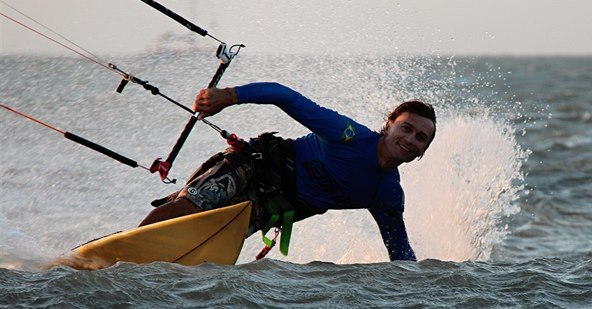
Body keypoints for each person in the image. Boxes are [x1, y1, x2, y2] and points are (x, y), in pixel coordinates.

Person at [139, 82, 436, 261]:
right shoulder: (348, 135)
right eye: (406, 128)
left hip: (273, 207)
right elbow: (286, 97)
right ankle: (129, 251)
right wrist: (229, 96)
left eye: (420, 138)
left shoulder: (387, 195)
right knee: (192, 207)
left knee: (211, 235)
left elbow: (401, 256)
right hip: (255, 168)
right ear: (389, 125)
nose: (410, 140)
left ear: (423, 151)